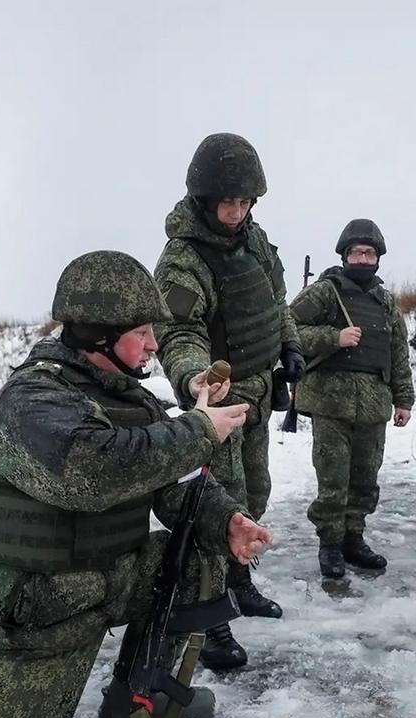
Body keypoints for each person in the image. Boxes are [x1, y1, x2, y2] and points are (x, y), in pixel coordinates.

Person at [0, 250, 271, 718]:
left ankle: (132, 692)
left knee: (196, 556)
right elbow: (90, 472)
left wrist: (226, 521)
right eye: (142, 331)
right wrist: (196, 430)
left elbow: (169, 481)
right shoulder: (34, 398)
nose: (153, 345)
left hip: (110, 576)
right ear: (98, 334)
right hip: (37, 607)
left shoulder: (129, 397)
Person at [152, 133, 301, 670]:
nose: (235, 213)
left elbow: (277, 303)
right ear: (202, 199)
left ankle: (239, 579)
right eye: (227, 202)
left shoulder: (255, 242)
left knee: (254, 491)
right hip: (217, 402)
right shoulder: (183, 260)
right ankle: (208, 617)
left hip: (259, 393)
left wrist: (290, 345)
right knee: (216, 503)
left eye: (244, 202)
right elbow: (179, 332)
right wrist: (196, 379)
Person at [287, 219, 414, 578]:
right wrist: (333, 337)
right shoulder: (326, 291)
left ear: (378, 257)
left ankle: (353, 538)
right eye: (356, 252)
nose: (362, 258)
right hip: (331, 401)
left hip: (374, 402)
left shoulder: (385, 302)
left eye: (369, 252)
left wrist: (404, 399)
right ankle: (330, 544)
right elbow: (287, 326)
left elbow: (397, 353)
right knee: (333, 478)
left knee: (364, 479)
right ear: (345, 255)